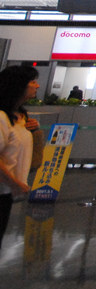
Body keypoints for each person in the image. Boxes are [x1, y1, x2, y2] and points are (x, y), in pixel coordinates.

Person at [0, 66, 40, 249]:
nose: (37, 86)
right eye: (32, 82)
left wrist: (35, 131)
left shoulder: (21, 117)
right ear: (18, 85)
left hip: (6, 191)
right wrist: (14, 183)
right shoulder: (2, 117)